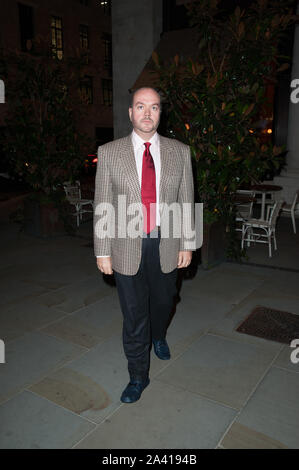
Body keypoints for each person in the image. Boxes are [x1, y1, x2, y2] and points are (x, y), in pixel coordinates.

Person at [94, 87, 195, 403]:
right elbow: (103, 203)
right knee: (134, 315)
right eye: (141, 106)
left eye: (154, 107)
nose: (147, 113)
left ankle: (160, 335)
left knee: (164, 303)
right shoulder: (110, 152)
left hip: (166, 243)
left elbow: (186, 201)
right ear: (130, 112)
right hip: (126, 246)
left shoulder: (180, 151)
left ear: (160, 113)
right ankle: (138, 376)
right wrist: (102, 250)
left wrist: (188, 243)